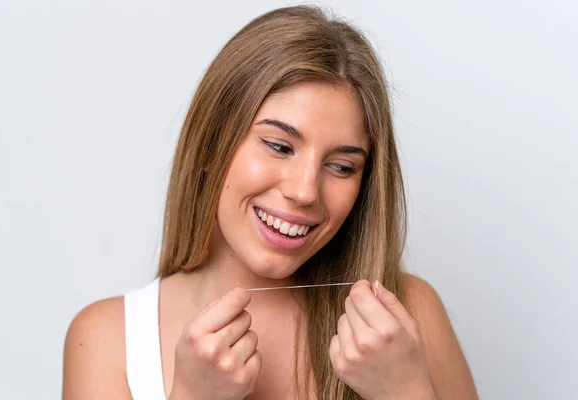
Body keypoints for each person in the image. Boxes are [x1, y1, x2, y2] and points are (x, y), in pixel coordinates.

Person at [62, 5, 478, 400]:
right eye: (279, 146)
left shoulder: (408, 316)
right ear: (210, 146)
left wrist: (406, 392)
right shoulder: (107, 338)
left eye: (341, 167)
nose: (305, 191)